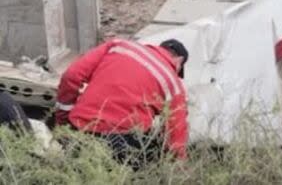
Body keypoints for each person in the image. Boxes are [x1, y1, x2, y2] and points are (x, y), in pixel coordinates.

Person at [54, 38, 189, 165]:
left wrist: (63, 119)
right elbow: (176, 134)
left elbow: (71, 76)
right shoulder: (174, 84)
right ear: (179, 61)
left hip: (80, 126)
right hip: (123, 141)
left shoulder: (118, 45)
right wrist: (178, 166)